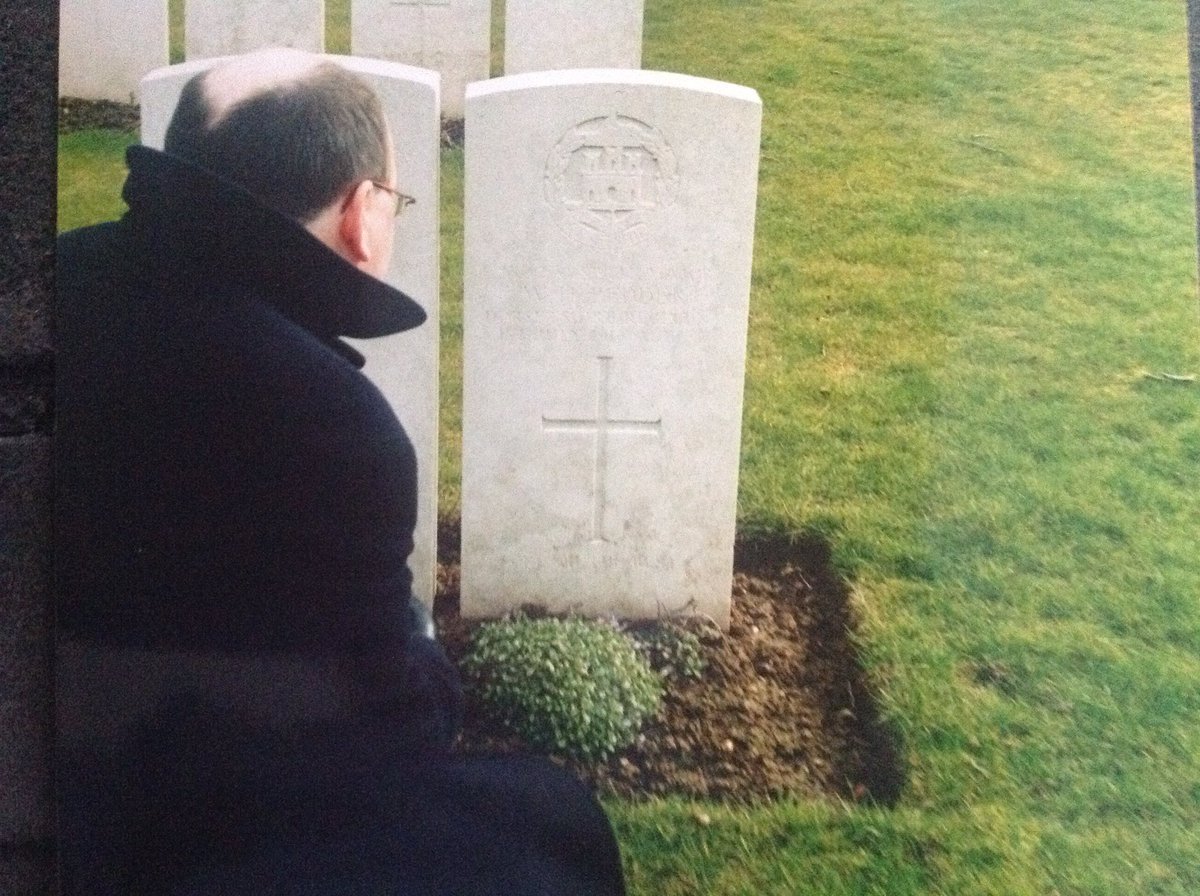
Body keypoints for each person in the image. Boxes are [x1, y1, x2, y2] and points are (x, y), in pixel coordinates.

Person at [55, 48, 626, 895]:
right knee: (553, 828)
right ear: (363, 213)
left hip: (56, 777)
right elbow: (386, 731)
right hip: (203, 831)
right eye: (392, 200)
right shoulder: (333, 427)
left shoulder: (50, 286)